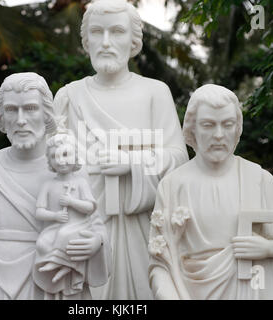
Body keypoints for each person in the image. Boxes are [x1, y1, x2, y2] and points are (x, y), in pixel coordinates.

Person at [54, 0, 188, 299]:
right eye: (97, 32)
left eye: (116, 32)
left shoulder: (155, 93)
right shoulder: (69, 97)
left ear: (133, 40)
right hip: (85, 231)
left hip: (144, 231)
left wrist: (132, 164)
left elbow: (180, 161)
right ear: (86, 41)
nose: (105, 42)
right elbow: (49, 170)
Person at [148, 84, 273, 299]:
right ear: (192, 129)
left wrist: (268, 249)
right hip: (190, 291)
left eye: (227, 124)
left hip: (254, 289)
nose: (219, 135)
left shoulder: (258, 179)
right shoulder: (173, 185)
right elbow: (159, 263)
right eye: (208, 125)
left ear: (237, 127)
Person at [0, 72, 110, 300]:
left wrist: (97, 243)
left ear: (47, 113)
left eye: (30, 108)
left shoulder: (73, 170)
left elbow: (97, 227)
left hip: (52, 283)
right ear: (1, 117)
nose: (20, 119)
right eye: (11, 110)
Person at [34, 133, 109, 299]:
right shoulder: (48, 185)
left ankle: (58, 264)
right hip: (56, 225)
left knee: (65, 236)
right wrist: (54, 216)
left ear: (75, 156)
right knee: (43, 242)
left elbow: (90, 207)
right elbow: (39, 211)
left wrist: (72, 202)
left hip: (78, 226)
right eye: (54, 156)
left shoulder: (80, 182)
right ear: (50, 161)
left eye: (65, 154)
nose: (60, 160)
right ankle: (63, 267)